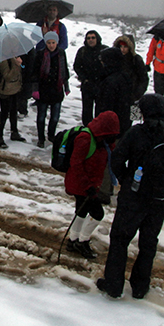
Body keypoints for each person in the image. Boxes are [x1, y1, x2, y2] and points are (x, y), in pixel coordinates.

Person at [98, 94, 164, 300]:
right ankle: (140, 286)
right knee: (148, 242)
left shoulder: (135, 133)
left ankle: (113, 284)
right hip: (160, 199)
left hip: (134, 196)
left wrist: (127, 180)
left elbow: (117, 160)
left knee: (120, 239)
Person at [64, 110, 120, 259]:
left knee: (81, 211)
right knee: (97, 213)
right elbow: (76, 163)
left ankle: (73, 239)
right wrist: (87, 186)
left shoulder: (102, 142)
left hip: (87, 184)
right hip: (82, 184)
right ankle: (82, 241)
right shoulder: (86, 139)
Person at [34, 31, 70, 147]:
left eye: (53, 42)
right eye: (49, 43)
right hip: (43, 89)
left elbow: (64, 71)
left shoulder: (61, 54)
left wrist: (66, 86)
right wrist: (35, 89)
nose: (51, 45)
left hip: (57, 90)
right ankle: (41, 138)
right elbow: (34, 73)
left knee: (54, 117)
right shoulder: (40, 54)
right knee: (41, 117)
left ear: (57, 43)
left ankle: (51, 135)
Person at [74, 30, 107, 125]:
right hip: (87, 85)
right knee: (87, 111)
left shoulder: (104, 50)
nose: (91, 40)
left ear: (97, 39)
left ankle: (98, 130)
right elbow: (77, 66)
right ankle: (87, 130)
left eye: (93, 38)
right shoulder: (82, 51)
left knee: (100, 111)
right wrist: (84, 78)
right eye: (88, 38)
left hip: (101, 85)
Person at [0, 55, 25, 146]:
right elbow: (8, 76)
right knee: (4, 113)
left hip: (15, 88)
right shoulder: (2, 58)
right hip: (6, 90)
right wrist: (17, 64)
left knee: (13, 111)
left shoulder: (13, 56)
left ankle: (14, 132)